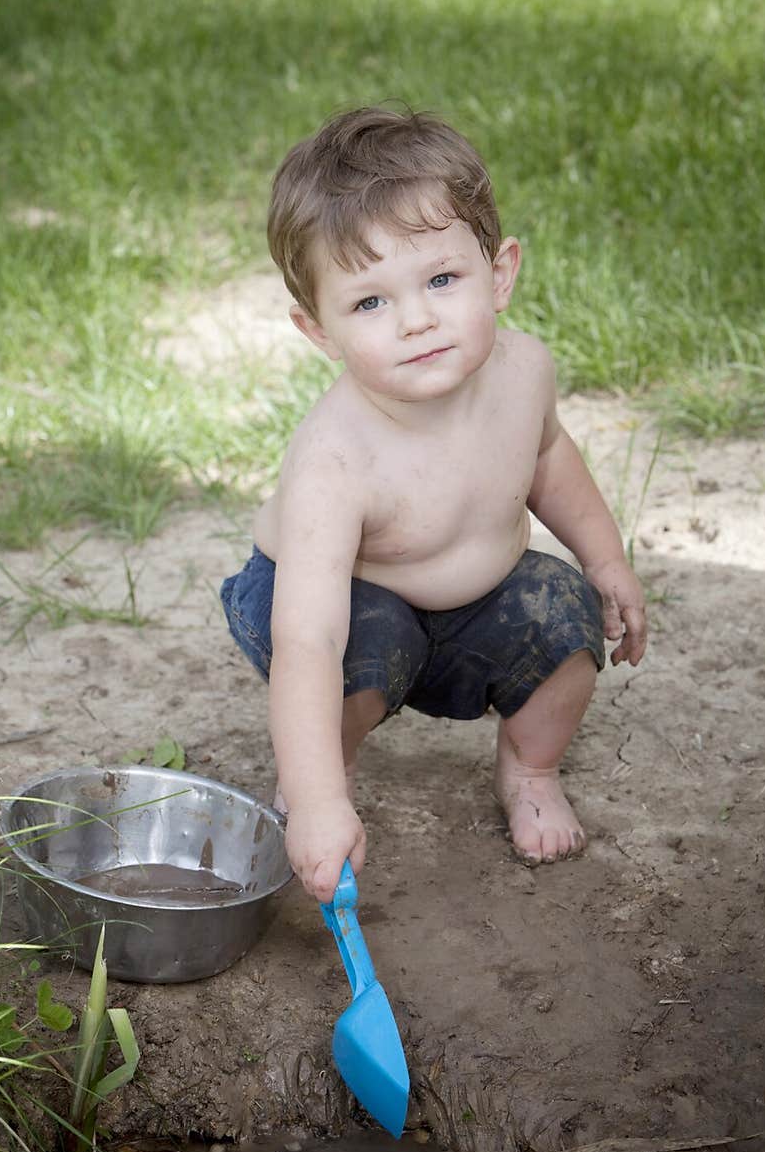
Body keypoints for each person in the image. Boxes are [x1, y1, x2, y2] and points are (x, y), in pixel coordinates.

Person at [221, 104, 647, 904]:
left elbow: (551, 460)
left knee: (563, 614)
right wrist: (316, 801)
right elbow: (308, 635)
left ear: (502, 272)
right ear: (319, 330)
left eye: (442, 280)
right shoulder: (336, 458)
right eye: (370, 303)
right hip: (336, 605)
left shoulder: (524, 373)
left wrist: (604, 558)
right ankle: (321, 772)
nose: (417, 320)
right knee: (361, 650)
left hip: (473, 597)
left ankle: (531, 768)